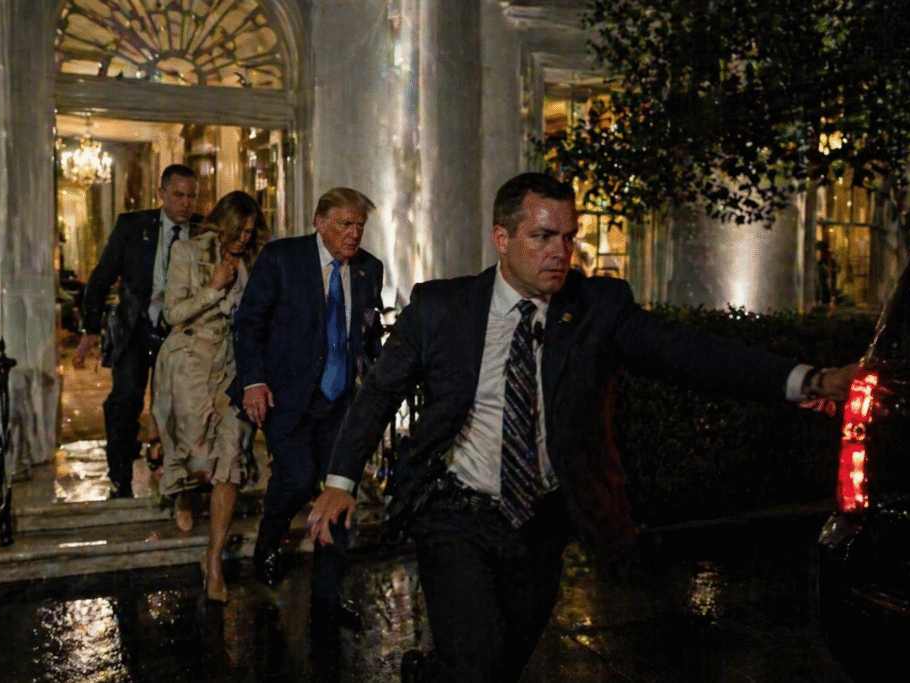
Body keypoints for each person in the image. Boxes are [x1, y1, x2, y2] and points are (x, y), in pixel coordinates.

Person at [309, 172, 856, 683]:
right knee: (475, 660)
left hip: (540, 521)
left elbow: (688, 354)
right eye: (543, 237)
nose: (560, 253)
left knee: (502, 665)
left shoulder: (597, 308)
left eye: (568, 238)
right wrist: (340, 481)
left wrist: (807, 380)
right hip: (457, 512)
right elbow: (380, 390)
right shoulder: (442, 308)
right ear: (501, 238)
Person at [235, 188, 384, 625]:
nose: (354, 234)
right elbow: (249, 323)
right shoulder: (282, 257)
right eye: (345, 224)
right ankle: (268, 543)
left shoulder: (368, 269)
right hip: (288, 395)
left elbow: (368, 331)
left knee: (340, 493)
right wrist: (253, 381)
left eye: (360, 226)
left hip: (342, 401)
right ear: (320, 222)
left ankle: (328, 595)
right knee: (297, 478)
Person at [151, 190, 268, 603]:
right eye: (239, 230)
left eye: (250, 232)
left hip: (232, 367)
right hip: (190, 361)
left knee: (230, 456)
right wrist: (214, 288)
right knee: (196, 457)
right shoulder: (186, 251)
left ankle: (213, 560)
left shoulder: (255, 261)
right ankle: (182, 491)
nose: (243, 239)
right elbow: (171, 314)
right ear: (224, 221)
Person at [74, 164, 202, 498]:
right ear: (161, 194)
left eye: (192, 196)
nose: (186, 203)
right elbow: (101, 279)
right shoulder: (133, 227)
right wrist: (89, 329)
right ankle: (120, 476)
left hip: (180, 333)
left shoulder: (204, 232)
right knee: (125, 400)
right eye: (178, 195)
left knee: (180, 404)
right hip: (135, 328)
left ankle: (174, 471)